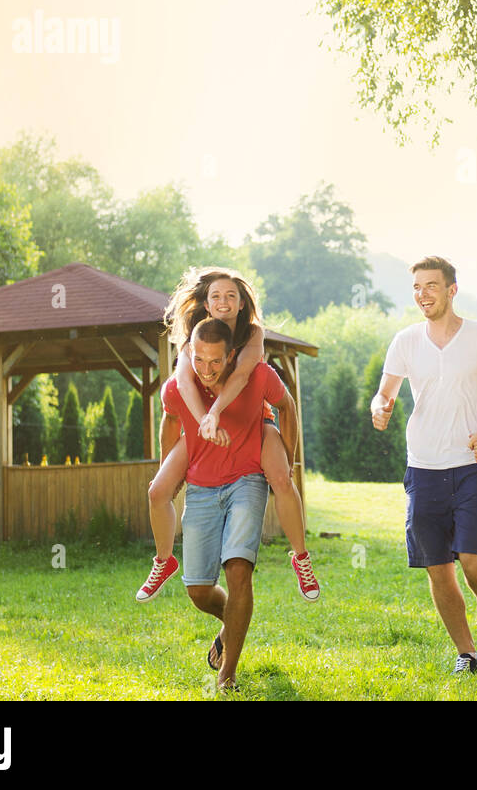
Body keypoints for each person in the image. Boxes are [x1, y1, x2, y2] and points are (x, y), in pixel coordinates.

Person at [137, 267, 319, 603]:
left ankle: (301, 558)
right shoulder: (194, 335)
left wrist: (216, 413)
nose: (223, 301)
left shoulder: (251, 334)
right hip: (203, 420)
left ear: (240, 304)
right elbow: (183, 383)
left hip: (251, 417)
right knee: (158, 490)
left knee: (280, 477)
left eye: (231, 296)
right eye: (216, 296)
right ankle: (164, 560)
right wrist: (204, 421)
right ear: (205, 304)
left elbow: (243, 376)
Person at [369, 256, 477, 675]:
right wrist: (380, 406)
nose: (422, 294)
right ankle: (466, 652)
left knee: (472, 559)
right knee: (437, 567)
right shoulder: (406, 341)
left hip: (471, 462)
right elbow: (385, 392)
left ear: (451, 290)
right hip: (423, 467)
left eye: (431, 286)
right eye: (416, 287)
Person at [160, 317, 294, 691]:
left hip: (248, 479)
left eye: (216, 362)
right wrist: (169, 471)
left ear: (231, 355)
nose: (207, 369)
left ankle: (227, 675)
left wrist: (289, 460)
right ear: (189, 353)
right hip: (202, 487)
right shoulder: (180, 385)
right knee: (198, 590)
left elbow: (288, 406)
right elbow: (169, 422)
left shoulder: (256, 375)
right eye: (199, 361)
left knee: (238, 570)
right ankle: (233, 621)